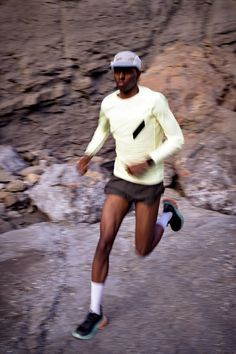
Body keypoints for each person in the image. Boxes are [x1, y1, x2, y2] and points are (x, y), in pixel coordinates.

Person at [72, 50, 184, 340]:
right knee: (103, 242)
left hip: (149, 183)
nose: (121, 76)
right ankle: (95, 313)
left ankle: (168, 213)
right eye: (117, 71)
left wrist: (148, 161)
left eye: (127, 71)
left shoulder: (154, 100)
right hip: (120, 180)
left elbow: (176, 138)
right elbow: (102, 129)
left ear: (138, 73)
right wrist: (87, 154)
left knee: (142, 249)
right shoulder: (108, 103)